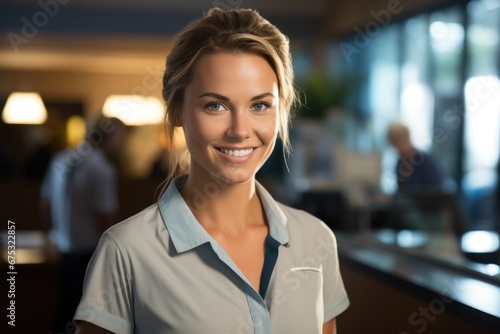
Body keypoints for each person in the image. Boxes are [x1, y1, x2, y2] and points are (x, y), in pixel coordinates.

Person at [74, 8, 350, 334]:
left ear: (282, 109)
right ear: (177, 110)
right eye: (215, 105)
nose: (239, 130)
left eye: (260, 105)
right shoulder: (126, 252)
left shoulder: (316, 240)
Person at [39, 116, 125, 334]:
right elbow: (105, 217)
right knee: (88, 321)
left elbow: (45, 204)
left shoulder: (60, 159)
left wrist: (50, 236)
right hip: (91, 255)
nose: (123, 141)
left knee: (64, 315)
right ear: (111, 137)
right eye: (121, 135)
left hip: (62, 252)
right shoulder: (101, 170)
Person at [387, 122, 446, 192]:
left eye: (398, 144)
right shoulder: (401, 163)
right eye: (395, 145)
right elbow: (401, 193)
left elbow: (437, 192)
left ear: (406, 139)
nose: (397, 149)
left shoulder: (425, 162)